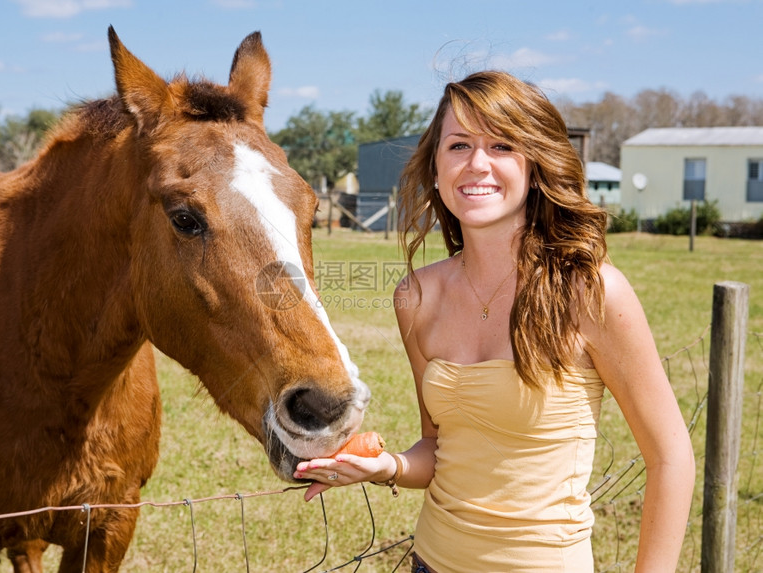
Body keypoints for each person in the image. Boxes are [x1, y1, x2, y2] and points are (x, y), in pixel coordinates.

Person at [294, 70, 695, 572]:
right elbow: (438, 447)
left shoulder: (590, 290)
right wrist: (385, 466)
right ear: (436, 169)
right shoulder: (417, 296)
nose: (477, 164)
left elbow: (671, 458)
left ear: (535, 166)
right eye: (459, 145)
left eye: (502, 145)